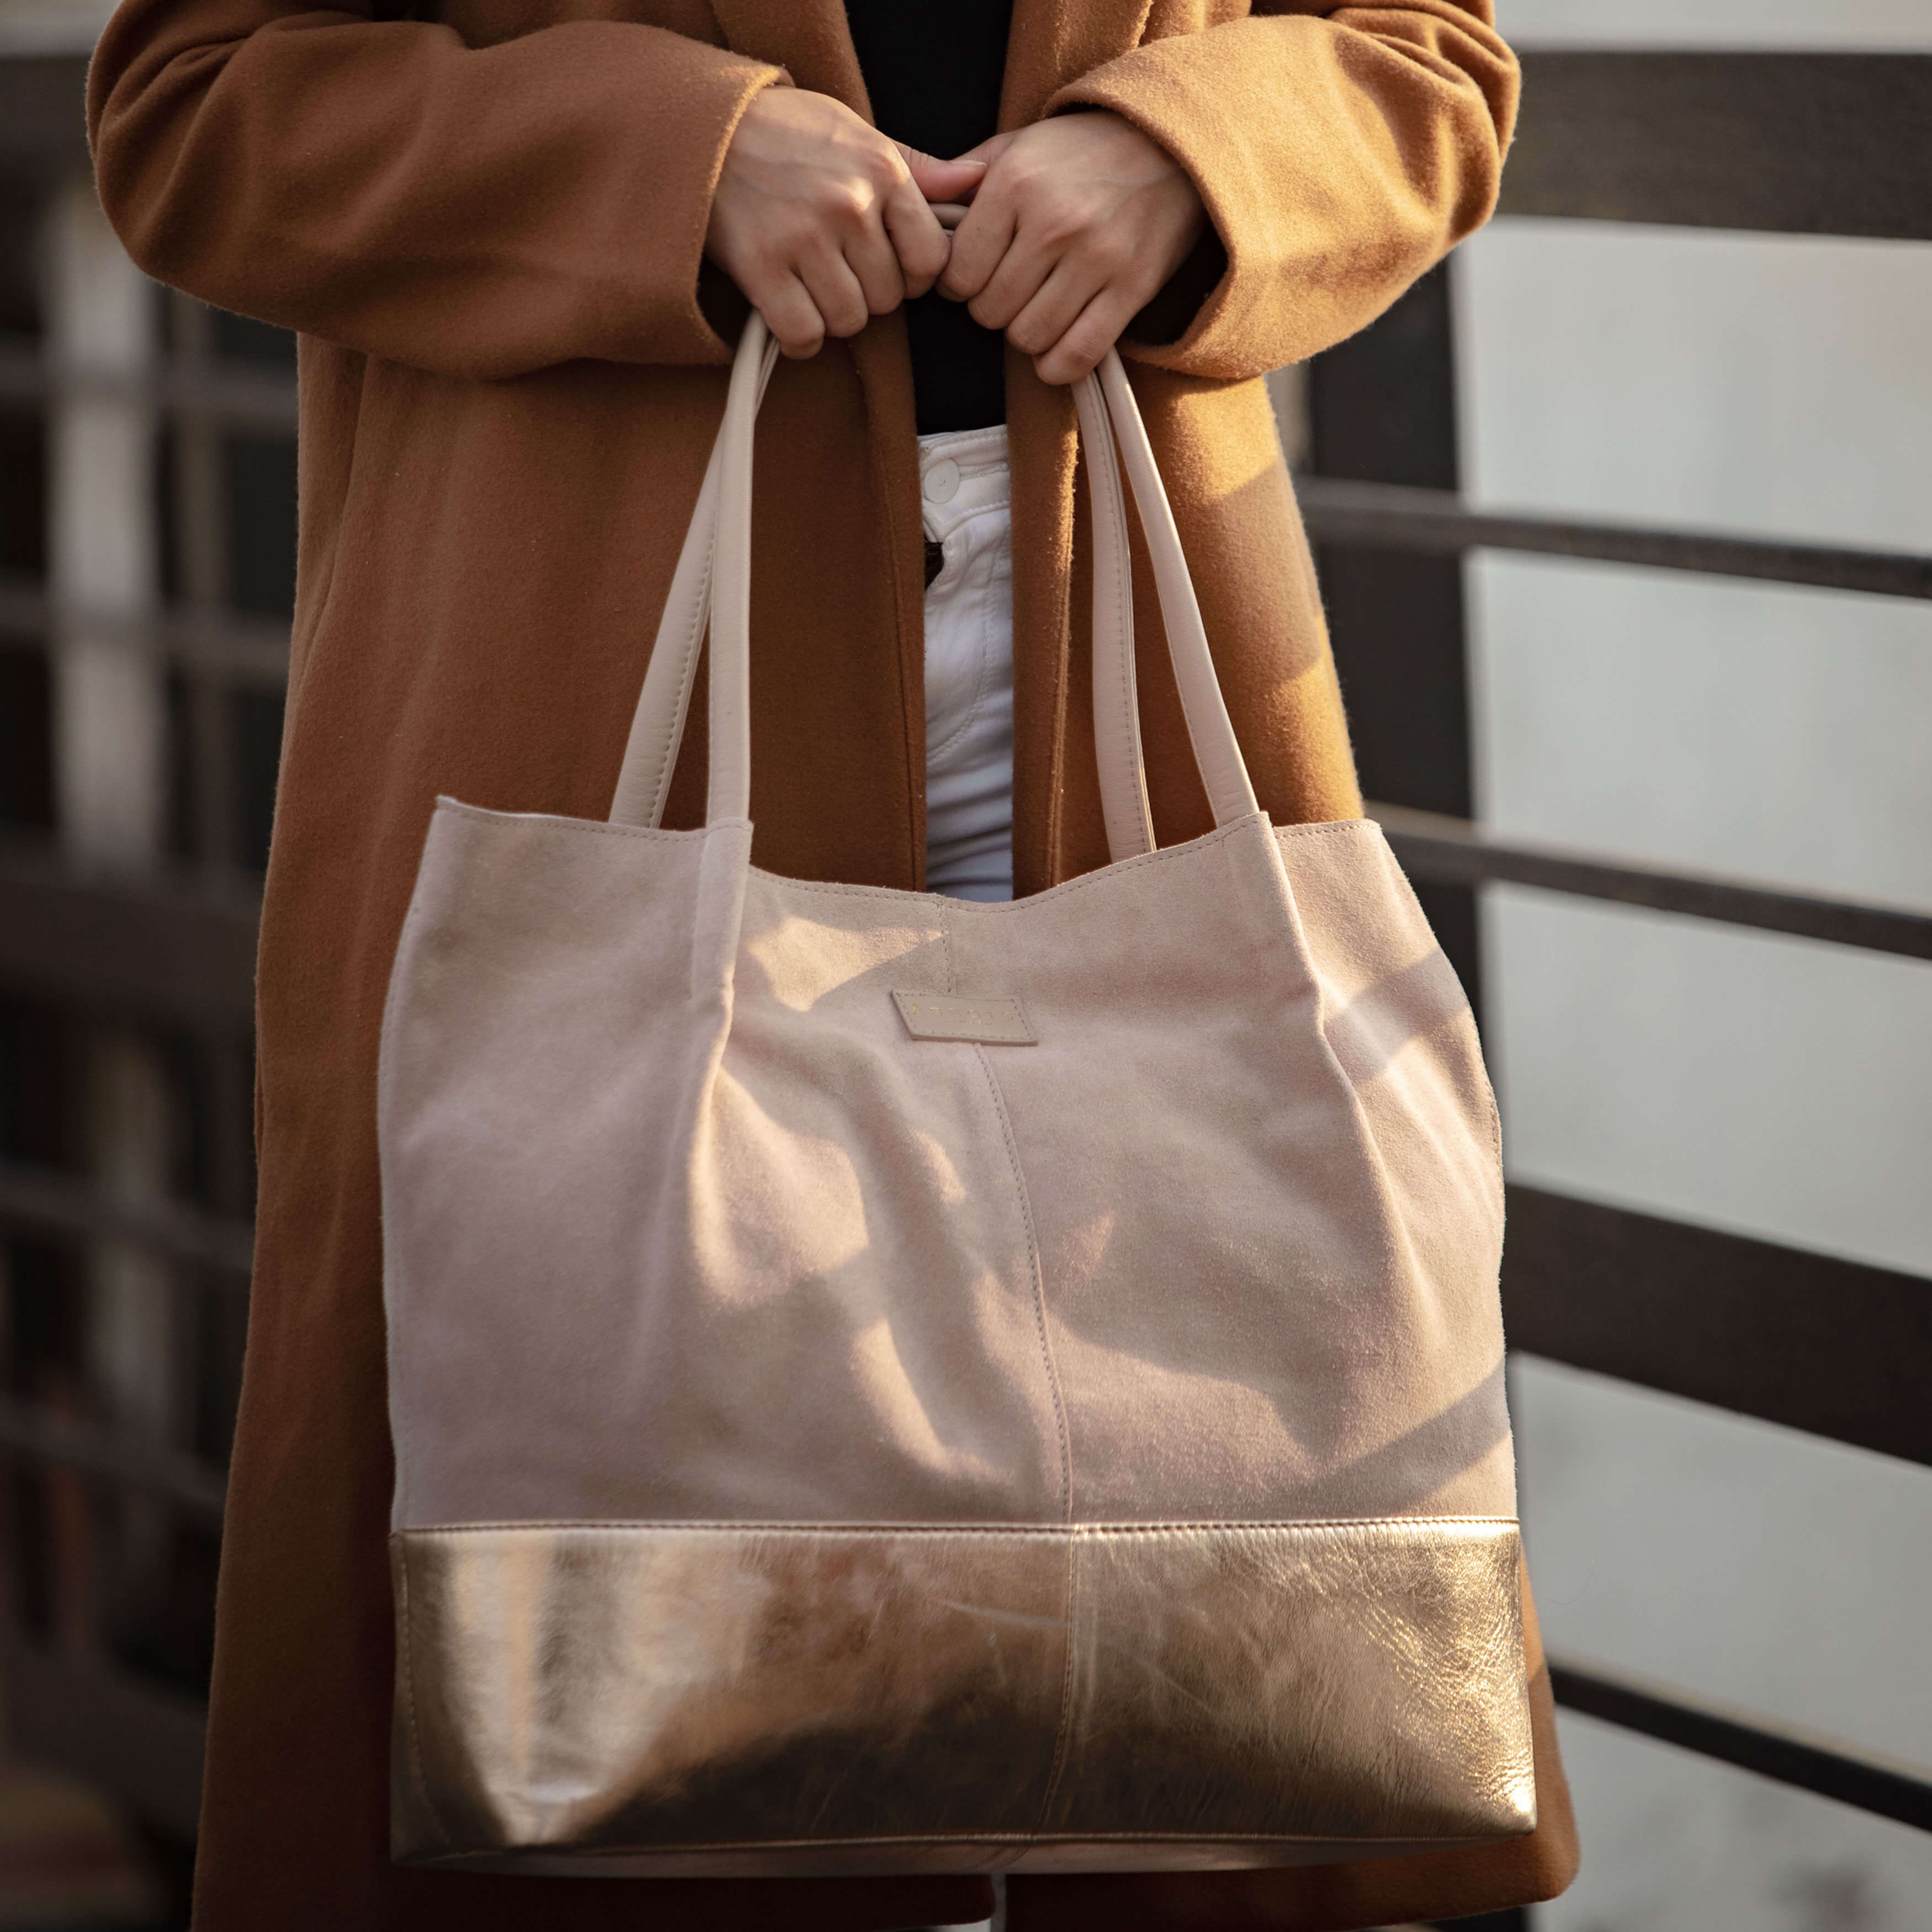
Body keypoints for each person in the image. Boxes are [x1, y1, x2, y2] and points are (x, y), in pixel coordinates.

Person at [87, 1, 1578, 1927]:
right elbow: (197, 106)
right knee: (614, 1696)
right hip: (593, 698)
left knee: (1188, 1644)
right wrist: (665, 164)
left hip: (1128, 667)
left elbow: (1422, 59)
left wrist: (1193, 160)